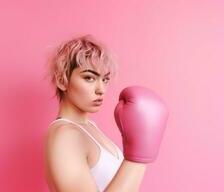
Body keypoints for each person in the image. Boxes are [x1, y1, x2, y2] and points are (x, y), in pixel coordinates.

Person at [43, 34, 169, 192]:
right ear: (62, 81)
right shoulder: (66, 135)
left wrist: (139, 154)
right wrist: (138, 156)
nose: (100, 90)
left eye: (105, 80)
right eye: (89, 78)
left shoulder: (89, 127)